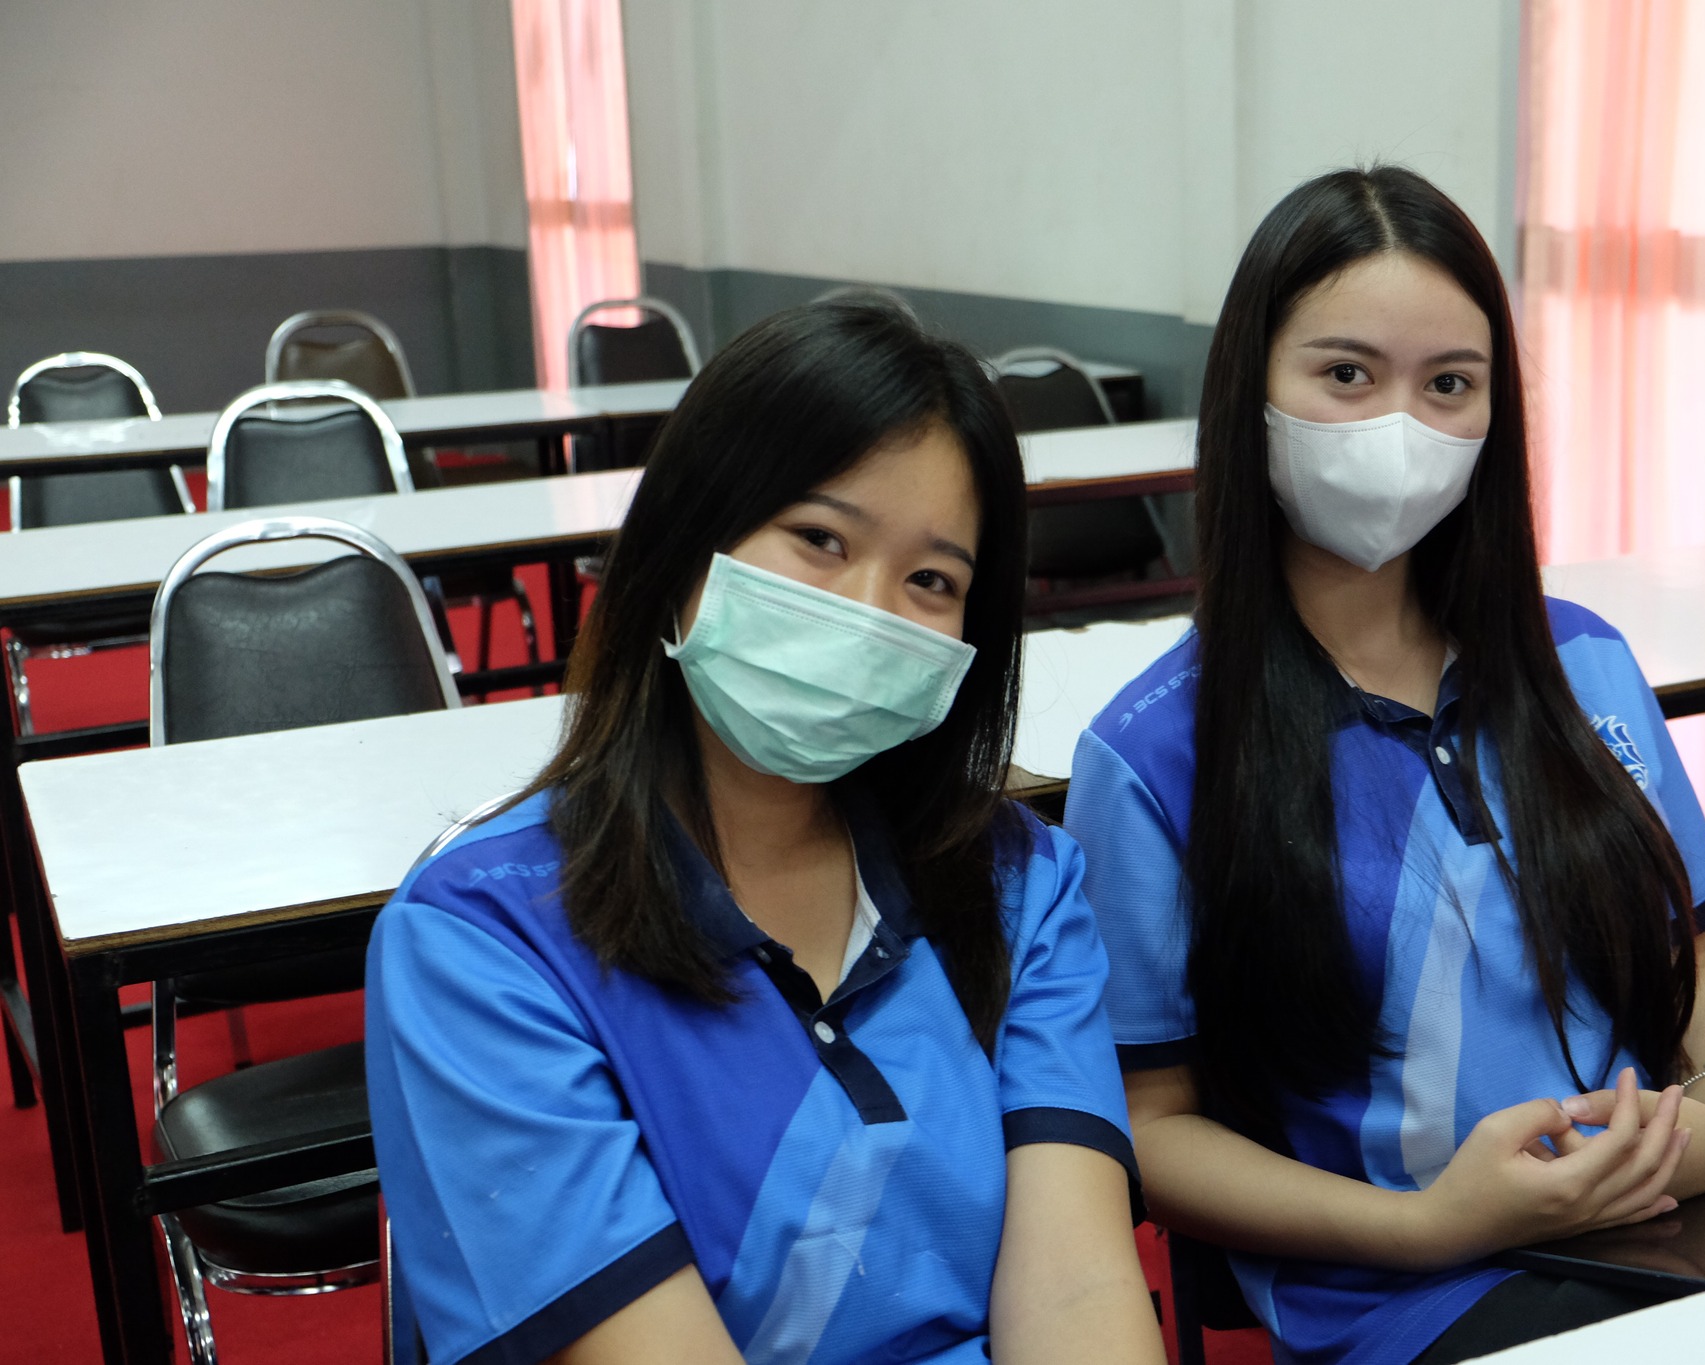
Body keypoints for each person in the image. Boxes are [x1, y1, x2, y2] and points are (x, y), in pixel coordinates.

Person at [366, 301, 1166, 1365]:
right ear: (686, 546)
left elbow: (1076, 1300)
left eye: (931, 581)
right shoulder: (481, 944)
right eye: (819, 540)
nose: (869, 612)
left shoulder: (1020, 885)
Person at [1062, 166, 1705, 1364]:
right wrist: (1429, 1224)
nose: (1400, 426)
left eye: (1449, 385)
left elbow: (1689, 952)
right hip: (1396, 1293)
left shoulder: (1580, 660)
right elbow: (1153, 1126)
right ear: (1250, 391)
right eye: (1344, 374)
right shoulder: (1151, 749)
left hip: (1662, 1225)